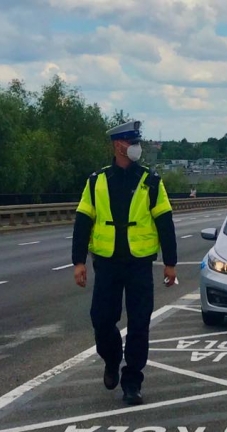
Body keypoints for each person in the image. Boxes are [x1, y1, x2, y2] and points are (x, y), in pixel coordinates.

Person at [71, 120, 178, 406]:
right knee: (101, 319)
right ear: (118, 145)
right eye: (131, 142)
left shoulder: (151, 181)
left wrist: (171, 263)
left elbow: (165, 222)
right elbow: (82, 221)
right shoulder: (97, 181)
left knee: (140, 323)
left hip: (140, 264)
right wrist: (78, 262)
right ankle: (111, 358)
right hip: (106, 264)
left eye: (136, 142)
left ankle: (132, 381)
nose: (136, 147)